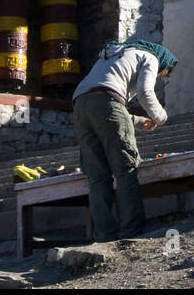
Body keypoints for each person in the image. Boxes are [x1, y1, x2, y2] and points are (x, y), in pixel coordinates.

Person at [71, 38, 178, 241]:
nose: (163, 76)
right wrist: (161, 117)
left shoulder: (115, 54)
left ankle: (104, 236)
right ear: (165, 63)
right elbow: (145, 92)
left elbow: (101, 104)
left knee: (97, 176)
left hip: (79, 104)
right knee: (125, 169)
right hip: (108, 101)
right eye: (165, 74)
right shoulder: (151, 57)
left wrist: (138, 121)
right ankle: (131, 232)